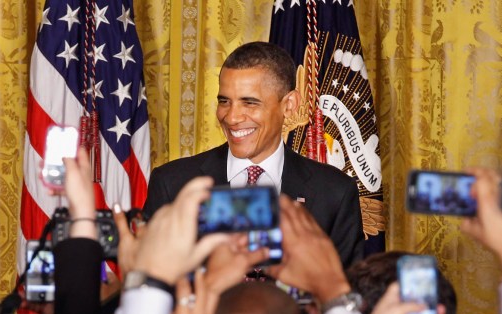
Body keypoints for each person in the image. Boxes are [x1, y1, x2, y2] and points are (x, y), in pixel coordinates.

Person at [143, 42, 366, 267]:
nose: (231, 117)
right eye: (224, 101)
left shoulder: (334, 193)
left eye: (249, 103)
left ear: (289, 105)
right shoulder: (172, 184)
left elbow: (345, 293)